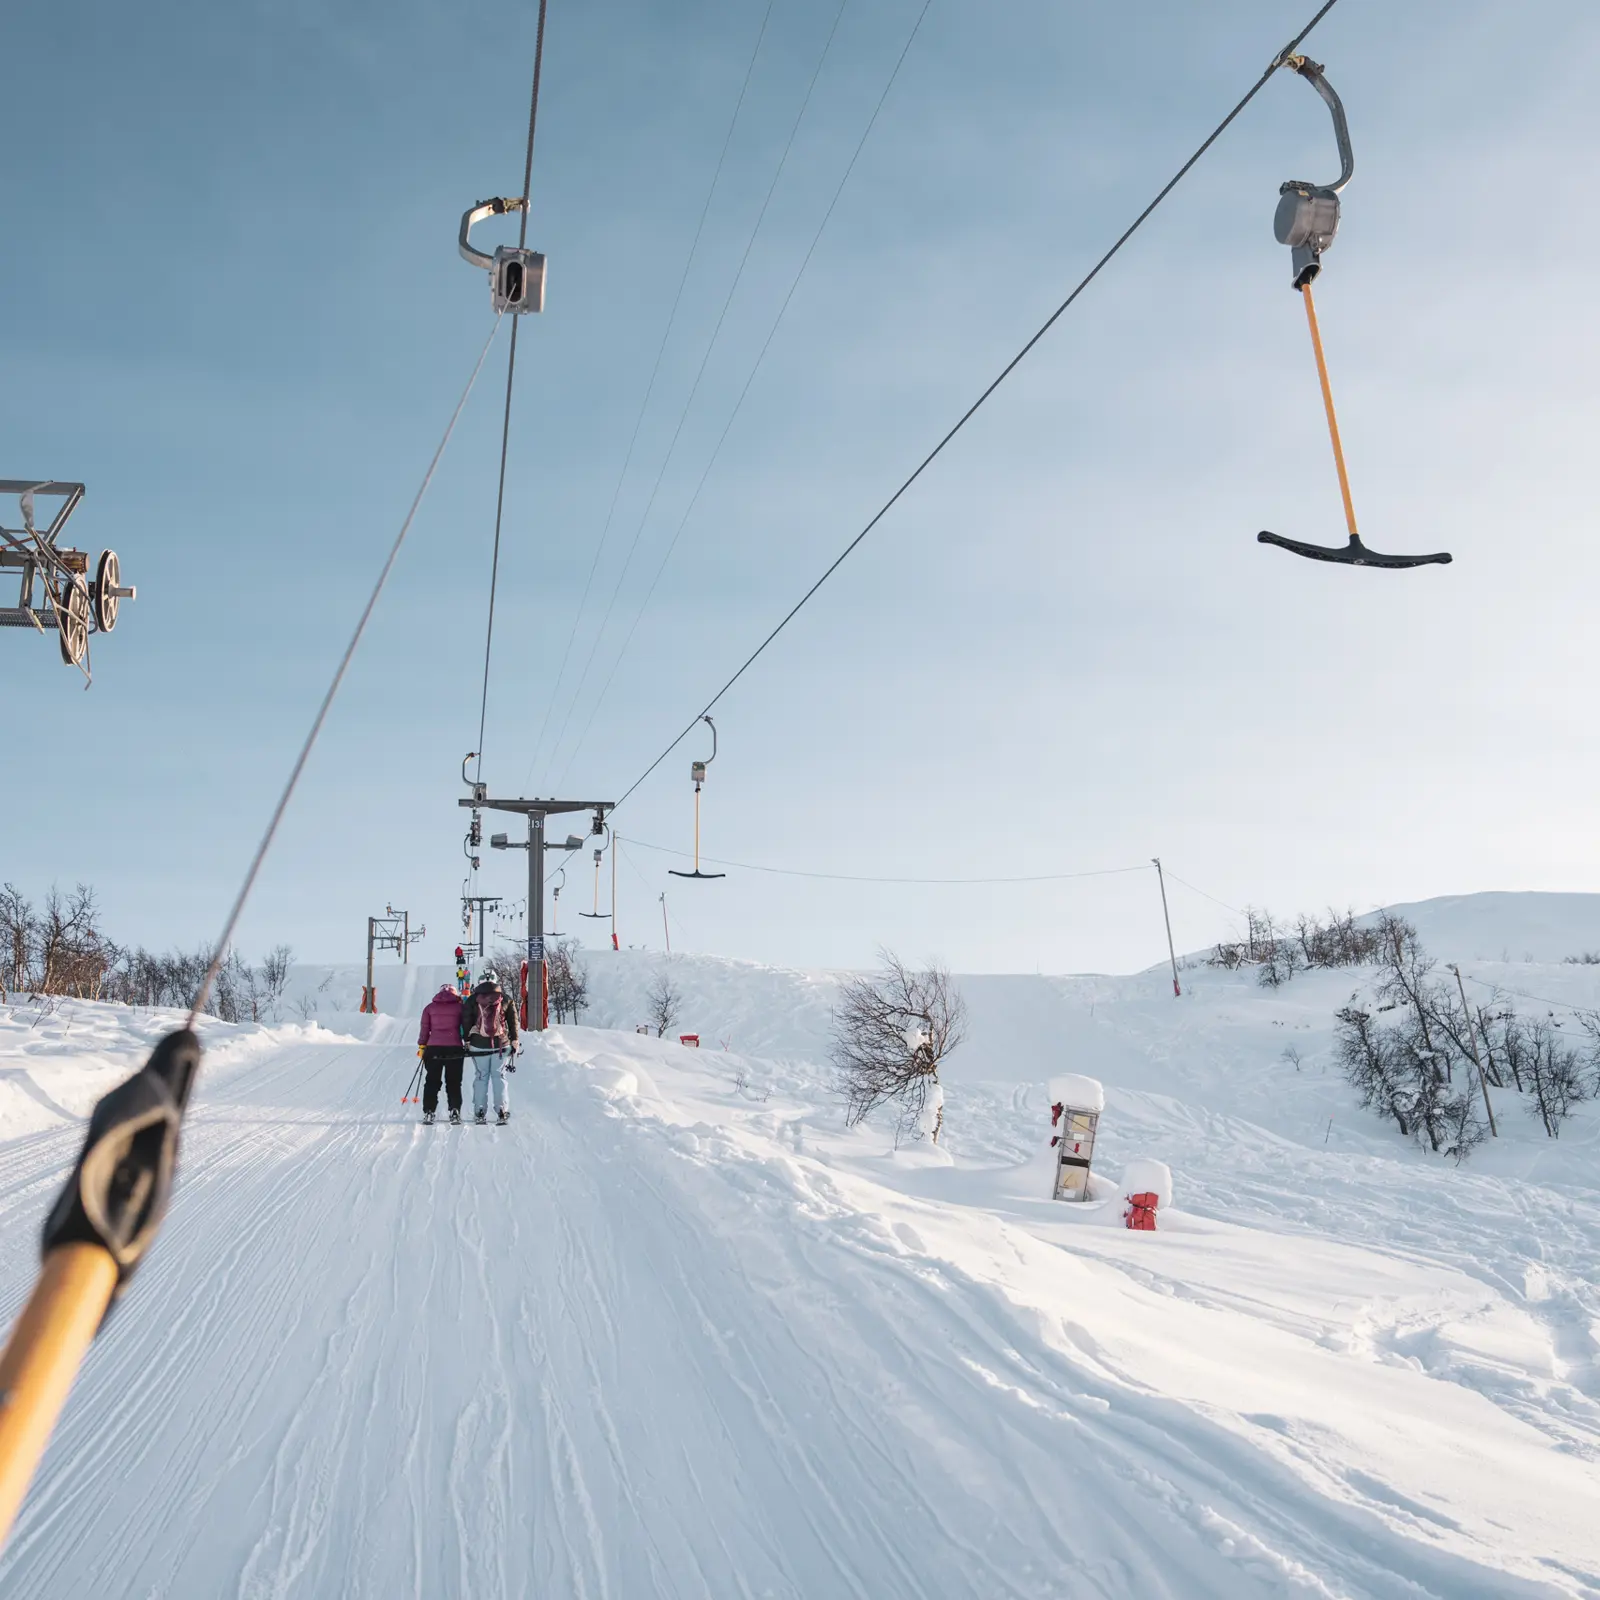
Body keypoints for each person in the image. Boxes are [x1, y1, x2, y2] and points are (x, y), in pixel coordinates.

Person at [463, 966, 519, 1124]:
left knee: (481, 1077)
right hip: (501, 1045)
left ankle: (480, 1111)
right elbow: (513, 1022)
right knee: (499, 1076)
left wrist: (467, 1040)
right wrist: (514, 1041)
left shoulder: (473, 999)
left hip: (478, 1045)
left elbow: (466, 1020)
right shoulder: (505, 998)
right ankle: (502, 1110)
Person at [417, 983, 467, 1125]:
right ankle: (455, 1110)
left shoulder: (429, 1008)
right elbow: (466, 1026)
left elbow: (425, 1028)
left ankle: (429, 1111)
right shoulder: (460, 1007)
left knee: (432, 1081)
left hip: (433, 1048)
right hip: (454, 1047)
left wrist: (422, 1045)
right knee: (454, 1082)